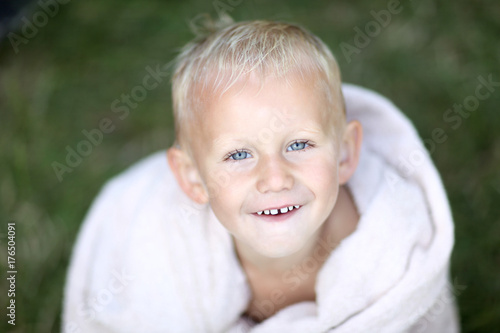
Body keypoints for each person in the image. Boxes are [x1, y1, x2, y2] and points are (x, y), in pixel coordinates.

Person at [63, 18, 459, 332]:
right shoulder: (167, 249)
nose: (275, 178)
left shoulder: (392, 254)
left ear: (344, 153)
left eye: (299, 145)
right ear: (193, 179)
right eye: (239, 154)